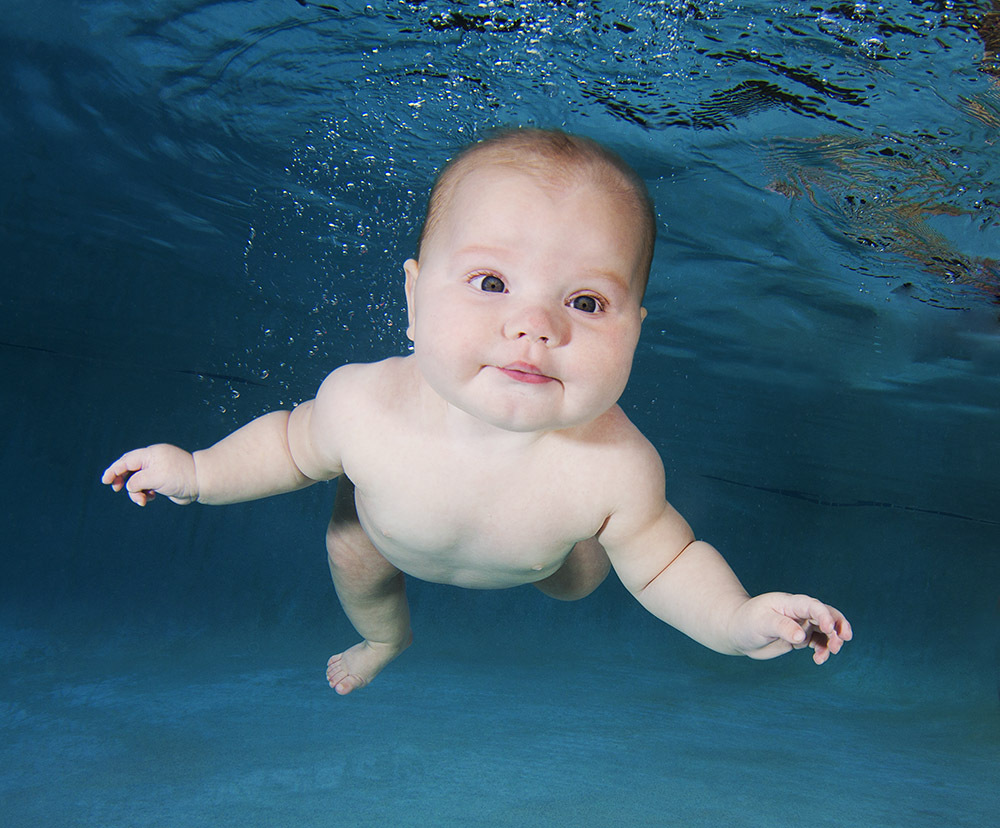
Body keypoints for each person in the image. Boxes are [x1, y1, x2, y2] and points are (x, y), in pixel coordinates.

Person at [102, 128, 852, 695]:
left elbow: (670, 567)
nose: (534, 326)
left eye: (585, 302)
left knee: (583, 574)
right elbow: (289, 447)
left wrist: (736, 621)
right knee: (350, 550)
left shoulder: (619, 468)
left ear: (634, 334)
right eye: (491, 282)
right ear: (412, 300)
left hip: (544, 554)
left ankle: (576, 553)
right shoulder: (362, 404)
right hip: (388, 538)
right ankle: (387, 643)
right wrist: (199, 471)